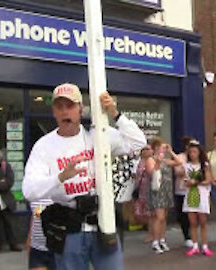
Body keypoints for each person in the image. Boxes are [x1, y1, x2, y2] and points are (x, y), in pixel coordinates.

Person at [22, 83, 146, 270]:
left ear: (80, 109)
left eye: (70, 106)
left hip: (103, 224)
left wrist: (115, 114)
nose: (65, 112)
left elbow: (138, 143)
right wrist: (60, 177)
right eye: (59, 107)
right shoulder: (44, 146)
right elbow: (29, 190)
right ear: (54, 111)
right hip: (69, 230)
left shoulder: (97, 135)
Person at [146, 138, 181, 254]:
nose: (163, 150)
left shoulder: (165, 160)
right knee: (159, 217)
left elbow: (179, 162)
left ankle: (162, 239)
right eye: (161, 147)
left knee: (164, 217)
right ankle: (155, 241)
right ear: (155, 148)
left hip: (167, 190)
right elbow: (151, 173)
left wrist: (171, 152)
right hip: (158, 191)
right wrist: (158, 162)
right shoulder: (151, 160)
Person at [182, 140, 213, 257]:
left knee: (203, 221)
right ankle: (195, 245)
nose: (192, 154)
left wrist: (197, 181)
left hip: (202, 194)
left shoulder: (204, 165)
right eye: (190, 152)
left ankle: (205, 245)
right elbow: (184, 180)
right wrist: (187, 182)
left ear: (199, 152)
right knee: (193, 222)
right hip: (190, 194)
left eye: (194, 152)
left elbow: (208, 180)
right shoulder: (187, 166)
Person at [173, 136, 193, 248]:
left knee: (193, 213)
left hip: (193, 189)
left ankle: (193, 234)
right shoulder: (180, 157)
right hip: (181, 189)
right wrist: (188, 169)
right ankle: (187, 236)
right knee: (183, 215)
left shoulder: (197, 157)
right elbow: (178, 172)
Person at [133, 145, 154, 243]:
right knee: (139, 214)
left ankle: (151, 233)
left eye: (148, 149)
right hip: (140, 190)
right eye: (144, 149)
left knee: (149, 213)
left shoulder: (152, 161)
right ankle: (152, 230)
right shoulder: (138, 162)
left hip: (149, 190)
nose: (146, 151)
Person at [28, 199, 55, 270]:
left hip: (57, 248)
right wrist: (29, 238)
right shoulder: (34, 194)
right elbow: (33, 216)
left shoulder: (59, 193)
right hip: (37, 247)